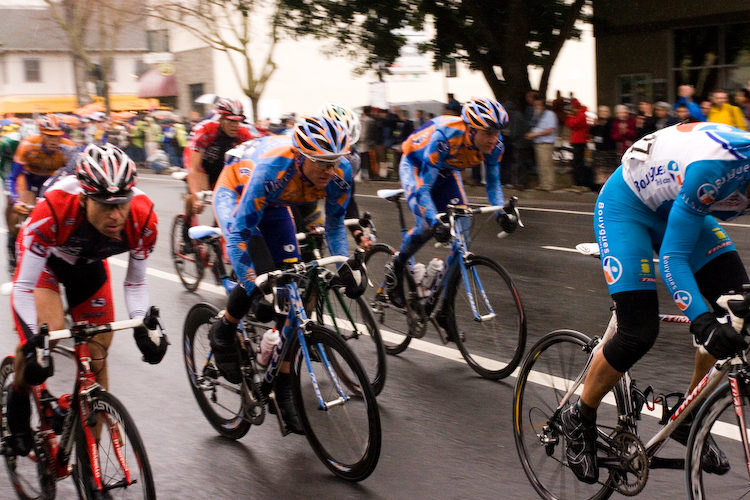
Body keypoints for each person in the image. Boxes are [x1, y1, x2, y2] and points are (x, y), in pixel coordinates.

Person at [562, 122, 750, 484]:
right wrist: (702, 322)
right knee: (638, 332)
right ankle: (579, 415)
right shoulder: (716, 169)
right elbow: (672, 259)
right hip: (626, 208)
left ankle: (689, 415)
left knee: (737, 310)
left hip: (676, 205)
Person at [6, 144, 166, 456]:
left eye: (121, 202)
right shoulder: (54, 208)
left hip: (90, 266)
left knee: (97, 354)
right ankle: (18, 395)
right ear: (84, 198)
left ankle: (90, 462)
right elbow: (23, 287)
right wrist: (33, 342)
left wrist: (146, 326)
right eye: (105, 205)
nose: (116, 215)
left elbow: (136, 282)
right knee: (49, 334)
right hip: (47, 264)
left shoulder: (143, 217)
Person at [209, 116, 362, 434]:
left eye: (334, 162)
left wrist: (344, 267)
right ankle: (224, 329)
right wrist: (256, 283)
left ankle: (282, 384)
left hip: (278, 202)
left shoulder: (341, 171)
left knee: (292, 290)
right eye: (321, 162)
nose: (329, 170)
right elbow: (239, 234)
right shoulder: (273, 168)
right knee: (259, 280)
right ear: (300, 156)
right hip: (237, 191)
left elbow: (335, 225)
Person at [384, 98, 517, 321]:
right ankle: (396, 266)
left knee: (463, 233)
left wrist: (501, 214)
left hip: (446, 171)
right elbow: (424, 188)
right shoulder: (444, 138)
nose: (494, 139)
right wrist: (435, 222)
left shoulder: (495, 146)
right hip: (416, 166)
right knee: (427, 225)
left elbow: (493, 184)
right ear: (471, 130)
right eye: (488, 133)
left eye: (497, 133)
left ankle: (444, 309)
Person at [182, 97, 257, 251]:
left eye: (238, 121)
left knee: (227, 198)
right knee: (200, 199)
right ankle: (186, 228)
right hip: (201, 165)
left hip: (222, 168)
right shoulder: (206, 130)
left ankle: (217, 233)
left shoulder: (244, 134)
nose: (235, 125)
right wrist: (196, 196)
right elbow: (194, 168)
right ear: (221, 119)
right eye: (231, 121)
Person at [7, 115, 78, 273]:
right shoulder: (28, 144)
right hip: (28, 178)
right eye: (49, 136)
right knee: (18, 213)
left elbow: (73, 179)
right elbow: (12, 177)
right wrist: (15, 201)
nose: (54, 140)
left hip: (50, 179)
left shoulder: (68, 148)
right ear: (41, 135)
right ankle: (13, 248)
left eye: (58, 136)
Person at [526, 95, 558, 191]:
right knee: (541, 165)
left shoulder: (549, 115)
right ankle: (543, 183)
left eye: (538, 105)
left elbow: (550, 129)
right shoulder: (537, 115)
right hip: (538, 143)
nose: (536, 107)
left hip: (546, 143)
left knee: (546, 164)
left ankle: (548, 184)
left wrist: (536, 134)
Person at [565, 98, 591, 191]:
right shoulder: (581, 114)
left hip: (579, 141)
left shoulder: (581, 115)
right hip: (578, 141)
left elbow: (571, 124)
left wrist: (570, 116)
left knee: (578, 163)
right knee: (577, 162)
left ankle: (580, 183)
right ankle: (577, 183)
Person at [589, 105, 617, 188]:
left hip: (610, 150)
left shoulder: (612, 123)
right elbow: (592, 134)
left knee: (610, 170)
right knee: (599, 170)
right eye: (601, 111)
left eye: (605, 112)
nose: (603, 113)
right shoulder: (596, 124)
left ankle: (609, 187)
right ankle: (601, 187)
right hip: (599, 151)